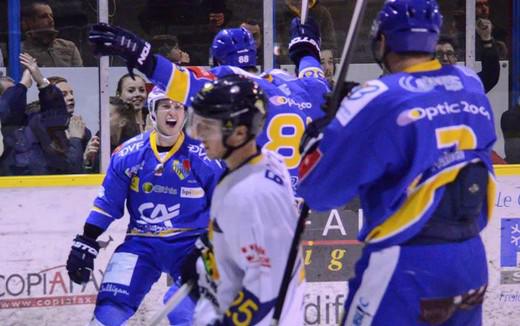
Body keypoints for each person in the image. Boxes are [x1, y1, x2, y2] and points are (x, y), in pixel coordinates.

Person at [298, 0, 496, 324]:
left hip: (405, 263)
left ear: (383, 41)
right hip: (470, 261)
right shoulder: (469, 84)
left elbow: (319, 190)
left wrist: (324, 135)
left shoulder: (378, 96)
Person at [88, 18, 329, 192]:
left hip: (252, 202)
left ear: (217, 61)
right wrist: (306, 48)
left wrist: (139, 53)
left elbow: (176, 80)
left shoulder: (232, 89)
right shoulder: (295, 86)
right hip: (304, 207)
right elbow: (313, 73)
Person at [65, 87, 222, 325]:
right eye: (166, 106)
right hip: (142, 242)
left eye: (178, 106)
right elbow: (108, 204)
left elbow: (228, 205)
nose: (173, 112)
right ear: (152, 112)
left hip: (193, 244)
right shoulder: (128, 154)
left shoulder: (203, 155)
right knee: (109, 309)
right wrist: (86, 240)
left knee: (184, 312)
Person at [185, 74, 304, 325]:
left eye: (208, 127)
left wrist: (229, 322)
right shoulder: (264, 162)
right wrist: (206, 252)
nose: (199, 135)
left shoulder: (252, 195)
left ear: (238, 133)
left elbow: (268, 285)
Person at [83, 96, 141, 173]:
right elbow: (90, 180)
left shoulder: (133, 146)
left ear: (122, 122)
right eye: (100, 114)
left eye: (106, 115)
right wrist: (88, 160)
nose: (101, 118)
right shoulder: (98, 140)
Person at [21, 0, 83, 67]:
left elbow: (81, 74)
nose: (51, 20)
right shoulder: (20, 50)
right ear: (29, 22)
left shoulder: (69, 47)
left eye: (51, 16)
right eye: (44, 17)